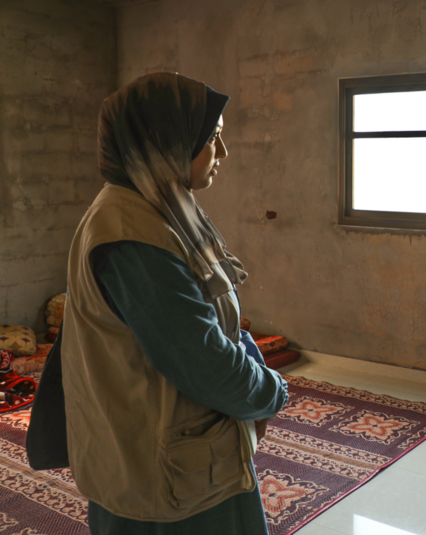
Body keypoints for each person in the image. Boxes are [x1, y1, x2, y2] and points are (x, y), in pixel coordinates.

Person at [61, 72, 288, 534]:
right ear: (168, 141)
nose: (222, 153)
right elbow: (202, 361)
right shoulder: (133, 233)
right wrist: (270, 392)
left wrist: (247, 353)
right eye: (213, 139)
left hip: (177, 458)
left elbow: (209, 322)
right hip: (167, 478)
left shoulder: (154, 207)